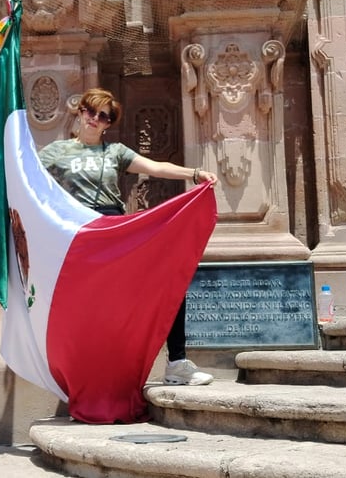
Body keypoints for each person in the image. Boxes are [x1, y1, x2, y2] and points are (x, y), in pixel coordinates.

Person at [38, 87, 217, 386]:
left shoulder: (116, 152)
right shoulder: (56, 152)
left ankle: (176, 363)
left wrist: (194, 173)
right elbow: (21, 174)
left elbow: (156, 167)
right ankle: (79, 374)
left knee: (168, 279)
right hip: (80, 234)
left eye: (103, 116)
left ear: (109, 123)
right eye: (90, 111)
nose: (95, 119)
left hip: (114, 230)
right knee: (89, 308)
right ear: (80, 111)